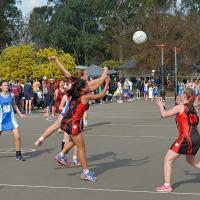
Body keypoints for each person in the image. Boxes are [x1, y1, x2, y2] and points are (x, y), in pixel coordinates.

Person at [34, 56, 108, 146]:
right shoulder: (86, 85)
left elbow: (63, 69)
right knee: (75, 135)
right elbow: (101, 79)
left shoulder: (74, 80)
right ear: (83, 76)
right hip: (76, 110)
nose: (87, 75)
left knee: (57, 125)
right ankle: (70, 157)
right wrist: (105, 70)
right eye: (86, 74)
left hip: (69, 106)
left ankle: (40, 139)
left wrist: (56, 59)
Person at [55, 77, 110, 181]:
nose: (88, 86)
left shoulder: (76, 93)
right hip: (73, 123)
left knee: (73, 141)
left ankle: (61, 155)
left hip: (70, 121)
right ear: (82, 89)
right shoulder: (84, 97)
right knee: (82, 148)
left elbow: (93, 86)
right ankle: (85, 172)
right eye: (86, 86)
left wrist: (102, 79)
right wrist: (106, 83)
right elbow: (102, 95)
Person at [155, 88, 200, 192]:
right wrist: (181, 103)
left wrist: (161, 106)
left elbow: (164, 114)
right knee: (191, 160)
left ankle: (167, 185)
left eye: (182, 93)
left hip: (185, 138)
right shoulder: (193, 108)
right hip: (196, 138)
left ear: (184, 96)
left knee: (168, 159)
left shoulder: (180, 107)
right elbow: (185, 115)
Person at [0, 80, 26, 161]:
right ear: (0, 87)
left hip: (11, 119)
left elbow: (14, 105)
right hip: (1, 119)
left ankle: (18, 155)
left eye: (7, 85)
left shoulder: (12, 95)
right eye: (4, 85)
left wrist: (20, 114)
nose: (6, 86)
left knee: (17, 137)